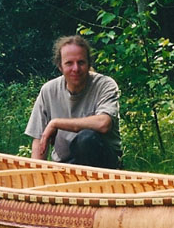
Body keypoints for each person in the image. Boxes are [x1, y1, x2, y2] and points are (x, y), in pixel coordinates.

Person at [25, 35, 122, 169]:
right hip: (65, 165)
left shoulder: (105, 85)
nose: (75, 69)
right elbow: (39, 141)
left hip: (103, 164)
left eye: (81, 62)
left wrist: (56, 123)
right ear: (60, 66)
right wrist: (35, 176)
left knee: (86, 138)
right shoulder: (48, 90)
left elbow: (104, 123)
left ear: (89, 64)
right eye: (69, 63)